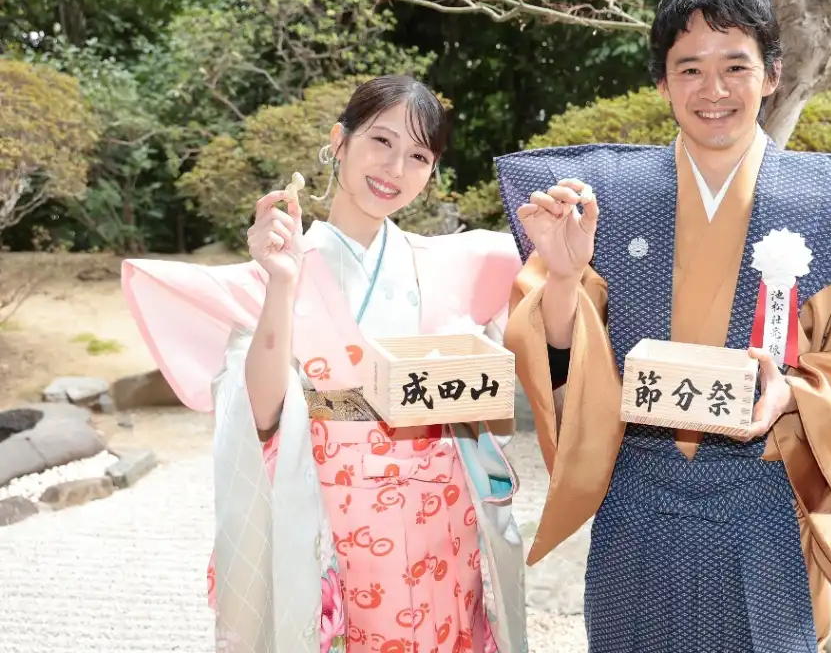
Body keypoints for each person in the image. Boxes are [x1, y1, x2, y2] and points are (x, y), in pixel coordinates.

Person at [495, 0, 831, 652]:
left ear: (771, 75)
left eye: (735, 66)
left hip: (766, 507)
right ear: (662, 83)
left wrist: (795, 398)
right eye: (689, 68)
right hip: (637, 504)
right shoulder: (603, 202)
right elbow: (556, 364)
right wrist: (564, 277)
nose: (712, 90)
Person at [121, 75, 528, 653]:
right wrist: (281, 282)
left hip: (442, 512)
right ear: (339, 141)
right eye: (380, 142)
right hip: (335, 513)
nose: (394, 168)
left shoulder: (451, 262)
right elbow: (261, 412)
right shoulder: (283, 267)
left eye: (418, 155)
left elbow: (540, 306)